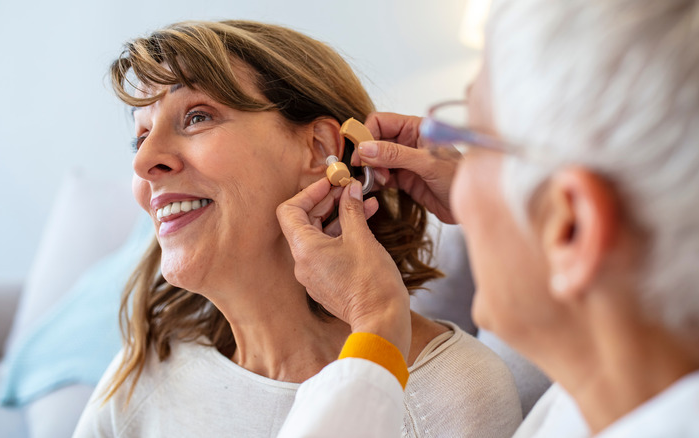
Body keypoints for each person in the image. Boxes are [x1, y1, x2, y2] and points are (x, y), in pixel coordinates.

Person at [275, 0, 699, 436]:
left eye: (475, 138)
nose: (456, 170)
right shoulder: (602, 395)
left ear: (570, 227)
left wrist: (376, 324)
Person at [72, 20, 522, 437]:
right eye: (140, 136)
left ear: (320, 149)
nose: (143, 161)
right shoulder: (141, 375)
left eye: (197, 116)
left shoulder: (453, 393)